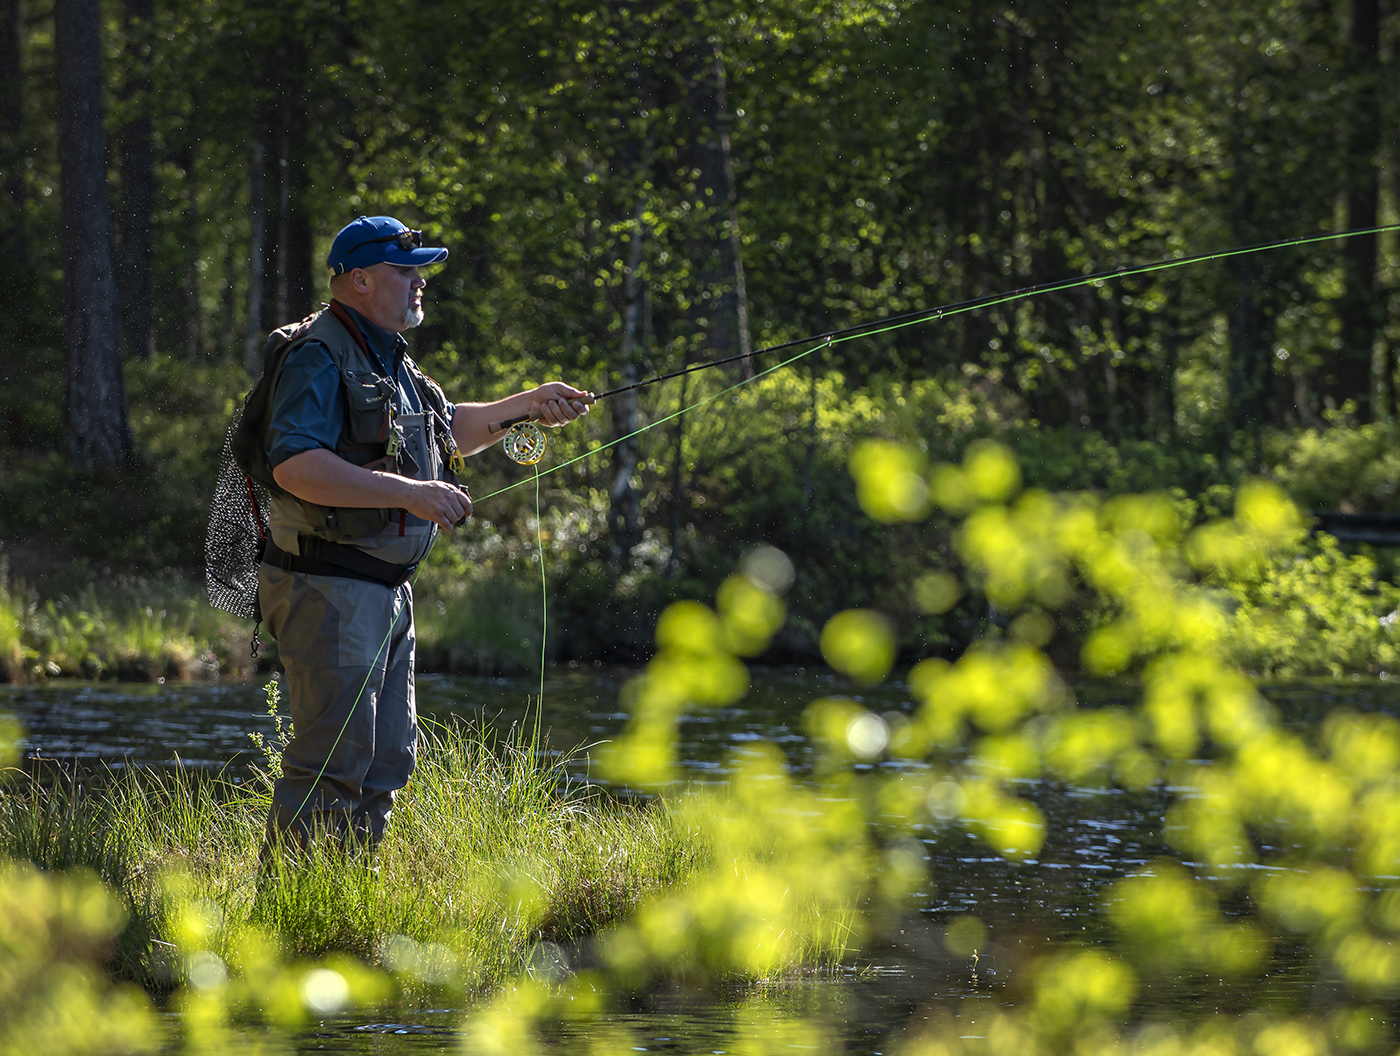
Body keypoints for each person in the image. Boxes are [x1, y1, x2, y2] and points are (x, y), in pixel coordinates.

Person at [257, 215, 592, 851]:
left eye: (421, 271)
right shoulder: (318, 356)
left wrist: (528, 405)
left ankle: (349, 902)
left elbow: (449, 431)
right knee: (333, 763)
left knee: (385, 762)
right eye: (405, 270)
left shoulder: (390, 357)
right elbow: (296, 465)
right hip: (328, 586)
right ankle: (291, 916)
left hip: (384, 592)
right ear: (359, 280)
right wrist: (414, 493)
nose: (421, 283)